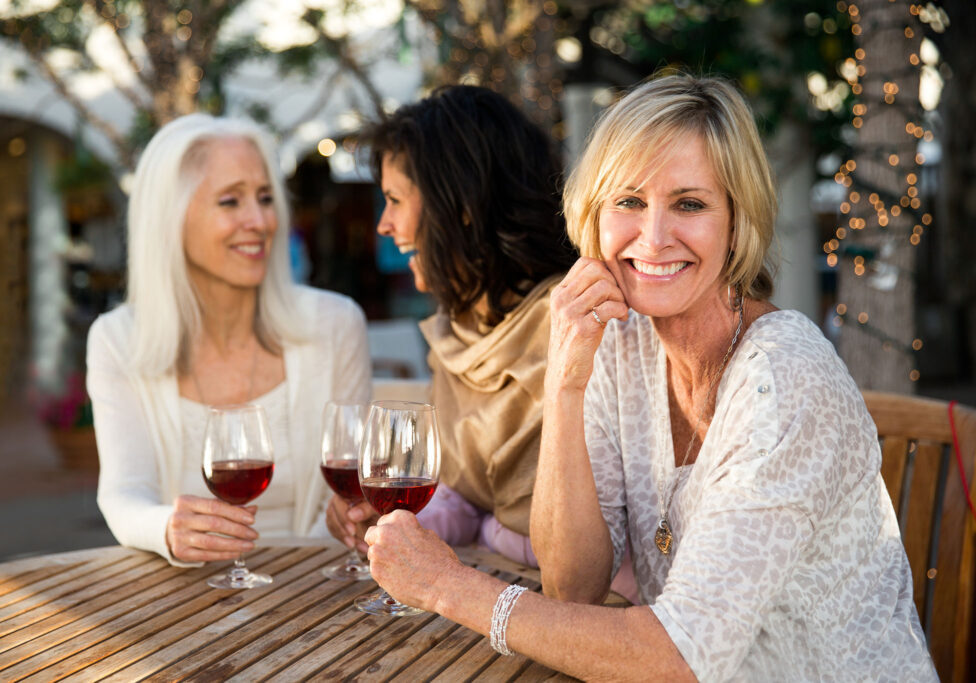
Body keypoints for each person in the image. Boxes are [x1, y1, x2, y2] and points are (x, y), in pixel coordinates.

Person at [359, 74, 937, 680]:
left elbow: (676, 657)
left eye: (690, 204)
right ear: (594, 215)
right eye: (629, 201)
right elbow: (572, 584)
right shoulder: (623, 341)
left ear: (738, 221)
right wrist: (565, 379)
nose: (654, 238)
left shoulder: (783, 380)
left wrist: (450, 587)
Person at [87, 114, 371, 566]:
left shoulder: (335, 325)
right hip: (181, 601)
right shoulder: (118, 340)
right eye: (230, 201)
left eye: (264, 198)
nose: (259, 221)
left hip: (319, 591)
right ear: (171, 219)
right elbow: (124, 495)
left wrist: (310, 564)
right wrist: (166, 529)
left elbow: (348, 497)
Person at [326, 85, 577, 567]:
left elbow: (601, 535)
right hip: (487, 594)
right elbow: (466, 497)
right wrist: (396, 523)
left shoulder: (576, 321)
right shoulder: (456, 329)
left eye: (395, 200)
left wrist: (488, 531)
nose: (384, 225)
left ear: (460, 205)